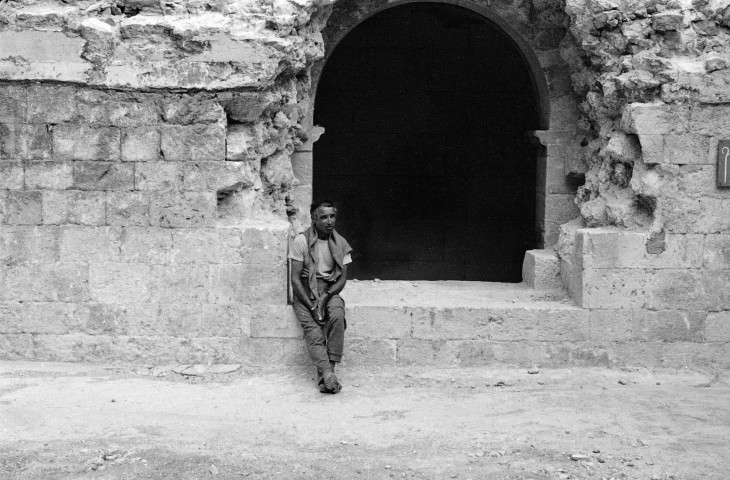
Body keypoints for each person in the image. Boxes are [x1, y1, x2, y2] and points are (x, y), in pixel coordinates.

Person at [289, 200, 353, 394]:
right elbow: (295, 280)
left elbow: (342, 279)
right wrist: (311, 306)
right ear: (314, 218)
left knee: (337, 317)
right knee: (314, 332)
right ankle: (328, 375)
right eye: (323, 217)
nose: (329, 221)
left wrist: (326, 297)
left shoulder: (340, 243)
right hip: (305, 292)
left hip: (329, 290)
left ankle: (328, 374)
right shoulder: (302, 241)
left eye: (332, 216)